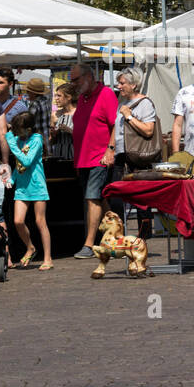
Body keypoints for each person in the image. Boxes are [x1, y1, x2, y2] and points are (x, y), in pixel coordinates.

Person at [70, 64, 118, 259]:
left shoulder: (105, 94)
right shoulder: (83, 97)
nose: (73, 84)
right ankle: (117, 232)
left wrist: (110, 149)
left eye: (76, 80)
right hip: (84, 158)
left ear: (89, 77)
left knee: (92, 198)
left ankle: (89, 244)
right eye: (72, 80)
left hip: (99, 156)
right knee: (100, 200)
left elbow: (116, 124)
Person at [110, 68, 157, 237]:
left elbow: (149, 130)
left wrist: (129, 117)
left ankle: (142, 238)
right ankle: (119, 236)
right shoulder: (122, 104)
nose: (119, 86)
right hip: (120, 155)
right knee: (114, 197)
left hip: (138, 156)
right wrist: (110, 149)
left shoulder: (145, 103)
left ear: (134, 84)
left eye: (122, 83)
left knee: (141, 200)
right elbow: (116, 128)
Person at [6, 111, 52, 271]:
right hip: (22, 186)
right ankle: (30, 246)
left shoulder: (36, 139)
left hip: (37, 185)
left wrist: (12, 145)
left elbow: (26, 160)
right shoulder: (18, 140)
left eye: (20, 129)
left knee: (40, 222)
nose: (17, 133)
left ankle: (48, 258)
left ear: (29, 128)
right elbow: (20, 164)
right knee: (18, 221)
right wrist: (12, 178)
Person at [47, 83, 75, 161]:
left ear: (69, 97)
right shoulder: (55, 115)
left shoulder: (79, 113)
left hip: (74, 155)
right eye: (55, 96)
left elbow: (85, 138)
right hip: (58, 155)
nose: (56, 98)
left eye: (59, 96)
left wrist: (69, 130)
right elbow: (51, 142)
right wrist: (53, 135)